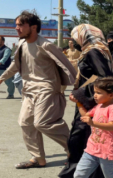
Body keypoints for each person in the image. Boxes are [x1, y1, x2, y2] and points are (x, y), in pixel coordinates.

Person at [59, 24, 113, 178]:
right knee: (105, 137)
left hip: (94, 101)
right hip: (101, 99)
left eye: (75, 36)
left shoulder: (93, 51)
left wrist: (83, 91)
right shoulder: (102, 51)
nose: (74, 40)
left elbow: (105, 77)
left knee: (81, 135)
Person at [0, 10, 77, 169]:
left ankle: (74, 150)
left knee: (42, 123)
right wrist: (1, 78)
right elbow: (16, 65)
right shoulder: (21, 44)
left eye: (21, 25)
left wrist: (75, 87)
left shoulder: (46, 45)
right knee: (25, 123)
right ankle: (38, 158)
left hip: (47, 90)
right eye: (16, 25)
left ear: (33, 27)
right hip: (28, 90)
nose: (17, 28)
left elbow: (67, 66)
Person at [73, 77, 113, 178]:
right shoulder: (99, 106)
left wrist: (92, 123)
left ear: (111, 95)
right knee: (79, 175)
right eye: (95, 92)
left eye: (99, 93)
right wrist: (78, 103)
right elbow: (86, 115)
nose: (95, 95)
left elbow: (112, 126)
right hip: (92, 148)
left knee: (112, 176)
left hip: (108, 150)